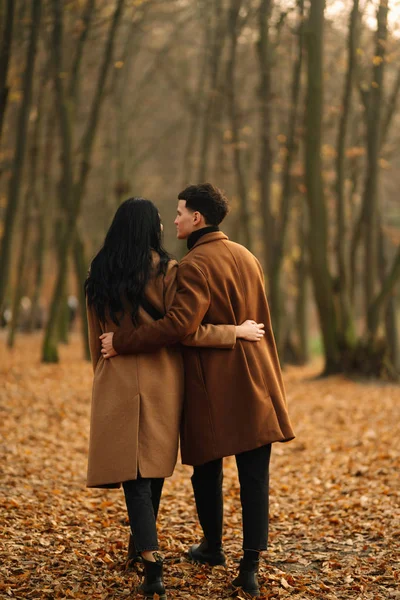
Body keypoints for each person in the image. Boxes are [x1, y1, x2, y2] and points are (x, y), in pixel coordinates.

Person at [100, 184, 295, 598]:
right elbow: (259, 321)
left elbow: (179, 329)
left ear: (197, 219)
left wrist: (122, 341)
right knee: (255, 477)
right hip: (259, 380)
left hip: (215, 384)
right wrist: (241, 333)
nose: (174, 220)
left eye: (180, 212)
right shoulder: (248, 256)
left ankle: (212, 547)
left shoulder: (192, 265)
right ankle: (250, 567)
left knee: (208, 470)